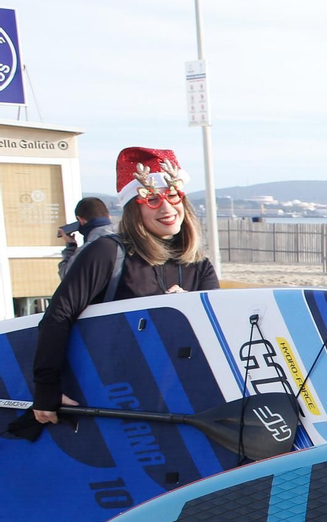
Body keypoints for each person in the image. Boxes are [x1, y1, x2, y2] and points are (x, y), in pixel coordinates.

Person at [26, 147, 220, 427]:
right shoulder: (107, 252)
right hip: (109, 397)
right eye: (152, 200)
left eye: (173, 196)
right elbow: (58, 316)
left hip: (176, 401)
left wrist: (189, 308)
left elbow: (215, 332)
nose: (167, 209)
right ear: (133, 208)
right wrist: (46, 388)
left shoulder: (198, 264)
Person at [56, 197, 114, 279]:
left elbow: (66, 276)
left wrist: (71, 247)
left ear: (80, 220)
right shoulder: (127, 239)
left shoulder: (88, 249)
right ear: (109, 216)